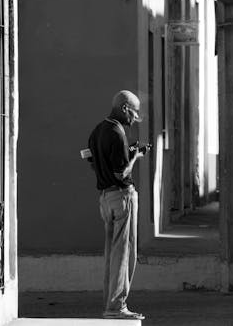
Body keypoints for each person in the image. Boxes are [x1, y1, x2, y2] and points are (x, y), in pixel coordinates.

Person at [88, 90, 145, 320]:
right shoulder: (118, 133)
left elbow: (91, 160)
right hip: (122, 197)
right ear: (124, 108)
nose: (134, 118)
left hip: (105, 198)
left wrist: (127, 153)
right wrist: (136, 156)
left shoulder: (98, 130)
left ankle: (110, 304)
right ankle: (117, 307)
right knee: (124, 252)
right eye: (133, 112)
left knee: (111, 253)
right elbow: (122, 173)